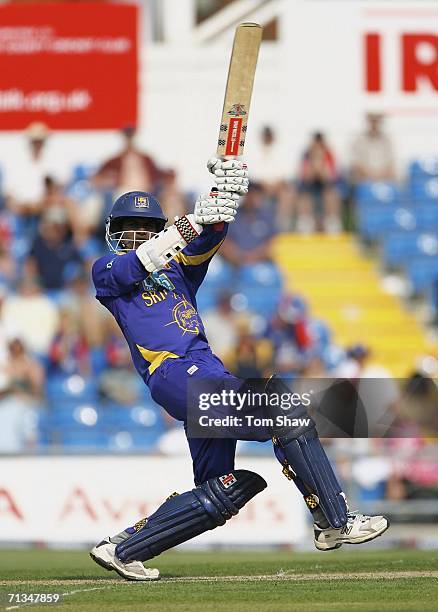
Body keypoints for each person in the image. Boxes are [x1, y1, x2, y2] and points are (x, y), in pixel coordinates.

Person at [89, 158, 389, 581]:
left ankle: (123, 548)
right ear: (113, 231)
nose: (135, 235)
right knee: (283, 408)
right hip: (175, 376)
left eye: (144, 227)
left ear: (156, 229)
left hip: (211, 375)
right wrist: (189, 221)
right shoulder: (106, 272)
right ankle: (334, 521)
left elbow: (205, 237)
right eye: (126, 227)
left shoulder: (179, 272)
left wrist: (222, 196)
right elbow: (139, 262)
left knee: (223, 488)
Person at [296, 132, 342, 233]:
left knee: (332, 194)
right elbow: (305, 178)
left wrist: (321, 167)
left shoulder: (329, 155)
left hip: (326, 186)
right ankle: (306, 224)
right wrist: (313, 165)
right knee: (304, 195)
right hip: (309, 186)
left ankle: (331, 223)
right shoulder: (306, 155)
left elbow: (330, 178)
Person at [351, 113, 395, 183]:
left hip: (384, 180)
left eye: (377, 121)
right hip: (364, 180)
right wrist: (371, 176)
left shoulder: (387, 141)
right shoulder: (359, 140)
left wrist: (380, 176)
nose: (375, 124)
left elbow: (391, 164)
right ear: (369, 122)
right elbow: (357, 164)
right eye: (373, 121)